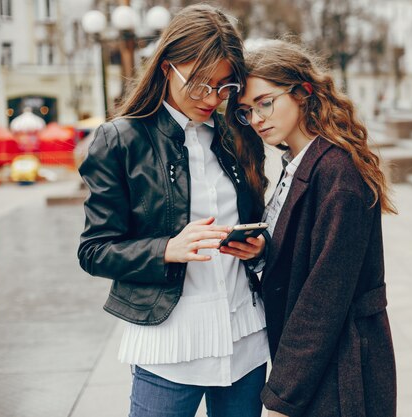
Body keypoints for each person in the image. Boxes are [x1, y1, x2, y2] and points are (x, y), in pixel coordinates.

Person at [77, 5, 270, 417]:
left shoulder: (238, 135)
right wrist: (166, 248)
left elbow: (262, 219)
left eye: (223, 87)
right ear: (167, 67)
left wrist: (258, 245)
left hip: (244, 338)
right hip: (170, 342)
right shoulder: (120, 140)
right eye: (200, 84)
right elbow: (94, 251)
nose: (212, 99)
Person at [227, 40, 397, 417]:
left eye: (264, 102)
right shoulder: (298, 163)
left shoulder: (337, 172)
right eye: (245, 111)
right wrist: (262, 253)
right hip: (321, 366)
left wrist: (282, 397)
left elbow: (325, 294)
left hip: (341, 367)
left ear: (303, 92)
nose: (256, 119)